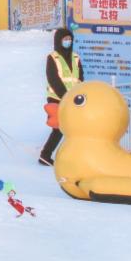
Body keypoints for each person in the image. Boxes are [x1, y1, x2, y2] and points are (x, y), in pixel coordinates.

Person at [38, 25, 82, 166]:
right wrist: (65, 96)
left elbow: (80, 77)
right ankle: (45, 155)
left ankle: (72, 156)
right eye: (65, 39)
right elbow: (53, 79)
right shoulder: (52, 57)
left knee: (74, 128)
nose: (68, 41)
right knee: (58, 128)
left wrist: (76, 94)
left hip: (72, 99)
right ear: (59, 40)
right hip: (56, 98)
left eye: (70, 39)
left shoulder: (75, 57)